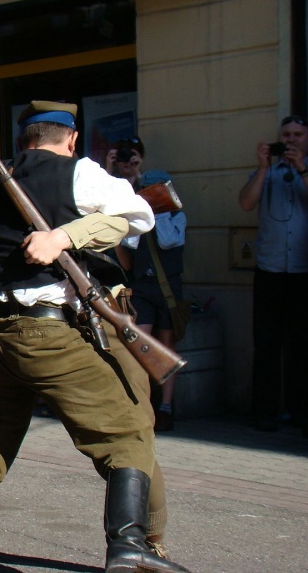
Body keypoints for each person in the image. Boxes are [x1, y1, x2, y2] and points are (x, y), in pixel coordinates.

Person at [0, 101, 190, 573]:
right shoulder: (81, 172)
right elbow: (138, 215)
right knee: (129, 435)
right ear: (71, 139)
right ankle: (129, 544)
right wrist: (66, 237)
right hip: (50, 332)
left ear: (23, 140)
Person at [238, 115, 308, 431]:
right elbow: (246, 203)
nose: (291, 140)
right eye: (286, 135)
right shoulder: (266, 172)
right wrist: (263, 167)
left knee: (303, 343)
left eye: (298, 135)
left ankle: (300, 410)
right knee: (266, 343)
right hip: (270, 268)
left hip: (307, 269)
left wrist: (302, 169)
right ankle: (265, 412)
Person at [116, 169, 187, 432]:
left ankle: (166, 406)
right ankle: (142, 404)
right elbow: (130, 246)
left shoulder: (177, 216)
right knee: (140, 344)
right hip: (143, 287)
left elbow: (169, 241)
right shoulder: (139, 217)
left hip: (168, 287)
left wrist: (159, 212)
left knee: (167, 344)